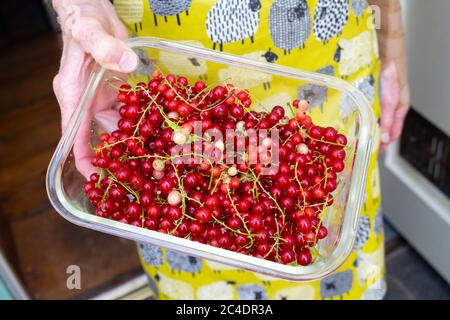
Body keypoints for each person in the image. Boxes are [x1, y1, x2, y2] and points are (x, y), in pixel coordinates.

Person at [52, 0, 409, 300]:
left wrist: (392, 36)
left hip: (332, 60)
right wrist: (77, 9)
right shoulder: (147, 131)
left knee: (328, 221)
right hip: (160, 68)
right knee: (179, 236)